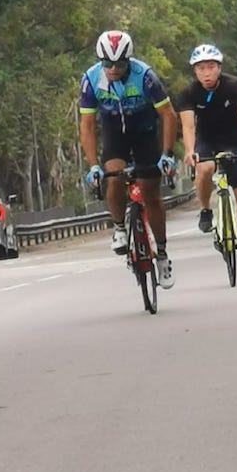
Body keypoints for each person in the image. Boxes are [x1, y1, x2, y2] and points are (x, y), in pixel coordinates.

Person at [78, 30, 179, 289]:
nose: (113, 69)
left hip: (145, 133)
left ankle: (162, 254)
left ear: (129, 60)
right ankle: (119, 228)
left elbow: (168, 115)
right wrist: (93, 165)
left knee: (151, 193)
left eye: (119, 64)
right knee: (113, 177)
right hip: (115, 135)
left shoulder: (145, 77)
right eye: (107, 63)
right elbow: (87, 126)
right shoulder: (90, 79)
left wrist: (167, 154)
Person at [176, 44, 237, 269]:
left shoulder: (235, 86)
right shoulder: (188, 93)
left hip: (234, 143)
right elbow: (188, 126)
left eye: (211, 67)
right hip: (206, 143)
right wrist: (189, 151)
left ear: (219, 68)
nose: (206, 73)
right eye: (201, 68)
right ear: (195, 71)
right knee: (204, 169)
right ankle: (205, 209)